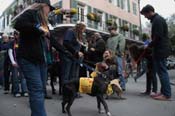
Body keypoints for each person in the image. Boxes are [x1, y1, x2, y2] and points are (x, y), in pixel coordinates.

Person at [13, 1, 56, 116]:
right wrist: (37, 28)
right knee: (36, 90)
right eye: (49, 8)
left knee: (39, 90)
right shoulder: (31, 13)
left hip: (41, 60)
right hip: (28, 59)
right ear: (44, 6)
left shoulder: (44, 22)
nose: (49, 11)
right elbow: (18, 24)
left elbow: (53, 41)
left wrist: (68, 53)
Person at [141, 4, 171, 100]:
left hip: (160, 50)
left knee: (162, 72)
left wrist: (148, 45)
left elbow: (157, 37)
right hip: (161, 49)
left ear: (149, 12)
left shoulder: (157, 20)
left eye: (145, 14)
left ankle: (166, 94)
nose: (145, 17)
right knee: (161, 72)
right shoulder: (157, 20)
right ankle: (163, 92)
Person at [8, 31, 28, 97]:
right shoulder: (12, 42)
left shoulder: (23, 42)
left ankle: (24, 91)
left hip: (22, 62)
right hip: (15, 62)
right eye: (16, 34)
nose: (18, 36)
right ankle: (16, 91)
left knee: (23, 77)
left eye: (19, 34)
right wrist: (13, 62)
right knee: (15, 77)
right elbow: (10, 52)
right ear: (15, 35)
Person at [106, 26, 126, 91]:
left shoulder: (120, 36)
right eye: (109, 31)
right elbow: (107, 47)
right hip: (110, 56)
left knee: (119, 71)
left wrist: (118, 52)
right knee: (109, 70)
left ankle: (122, 86)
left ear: (114, 30)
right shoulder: (109, 39)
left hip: (117, 56)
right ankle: (111, 85)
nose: (110, 32)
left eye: (111, 30)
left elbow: (121, 46)